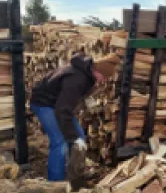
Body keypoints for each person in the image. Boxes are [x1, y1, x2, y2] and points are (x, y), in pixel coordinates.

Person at [30, 54, 118, 182]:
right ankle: (55, 184)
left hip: (58, 104)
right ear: (97, 71)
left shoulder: (88, 74)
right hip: (43, 103)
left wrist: (76, 136)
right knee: (60, 141)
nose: (104, 81)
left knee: (80, 136)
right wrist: (72, 136)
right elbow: (62, 110)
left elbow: (76, 99)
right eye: (104, 77)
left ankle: (75, 174)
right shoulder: (76, 79)